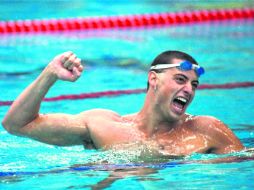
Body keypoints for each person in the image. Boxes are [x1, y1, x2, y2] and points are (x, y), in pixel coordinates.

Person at [2, 50, 245, 156]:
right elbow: (16, 125)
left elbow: (243, 166)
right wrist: (49, 75)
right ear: (153, 80)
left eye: (194, 84)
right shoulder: (103, 125)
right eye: (180, 79)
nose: (189, 90)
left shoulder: (207, 130)